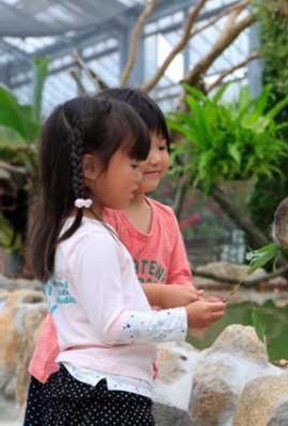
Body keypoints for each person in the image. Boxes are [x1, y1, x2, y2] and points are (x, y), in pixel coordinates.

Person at [24, 96, 225, 425]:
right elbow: (114, 325)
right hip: (104, 393)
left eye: (161, 148)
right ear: (90, 167)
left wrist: (185, 305)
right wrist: (182, 319)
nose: (145, 167)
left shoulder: (72, 230)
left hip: (94, 385)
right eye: (133, 162)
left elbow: (174, 278)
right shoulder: (93, 239)